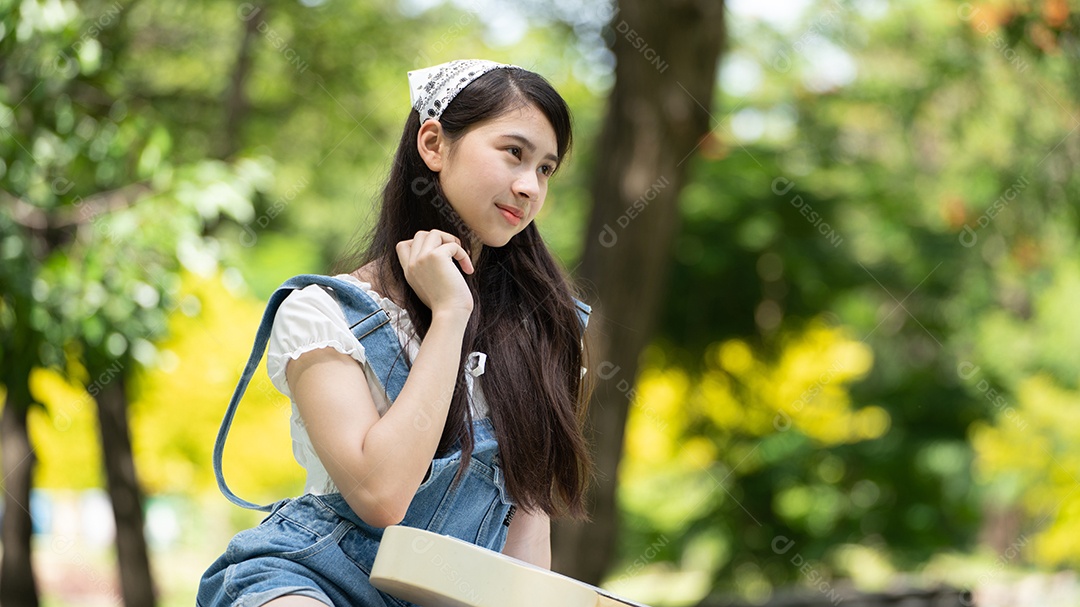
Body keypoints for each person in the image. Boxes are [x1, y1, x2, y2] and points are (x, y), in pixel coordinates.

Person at [197, 59, 593, 607]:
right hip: (314, 579)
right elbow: (380, 497)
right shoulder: (323, 313)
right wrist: (450, 315)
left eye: (545, 169)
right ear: (433, 144)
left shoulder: (546, 329)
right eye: (513, 152)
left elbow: (527, 529)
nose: (529, 187)